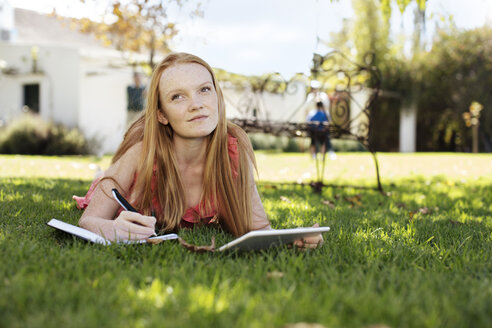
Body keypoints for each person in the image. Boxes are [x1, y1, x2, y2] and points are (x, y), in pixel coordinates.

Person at [74, 52, 323, 249]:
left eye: (204, 89)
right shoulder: (141, 153)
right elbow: (88, 222)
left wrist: (294, 240)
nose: (197, 105)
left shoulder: (234, 154)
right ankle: (100, 175)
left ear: (217, 96)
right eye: (178, 97)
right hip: (125, 185)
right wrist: (113, 229)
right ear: (161, 114)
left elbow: (258, 229)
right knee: (100, 183)